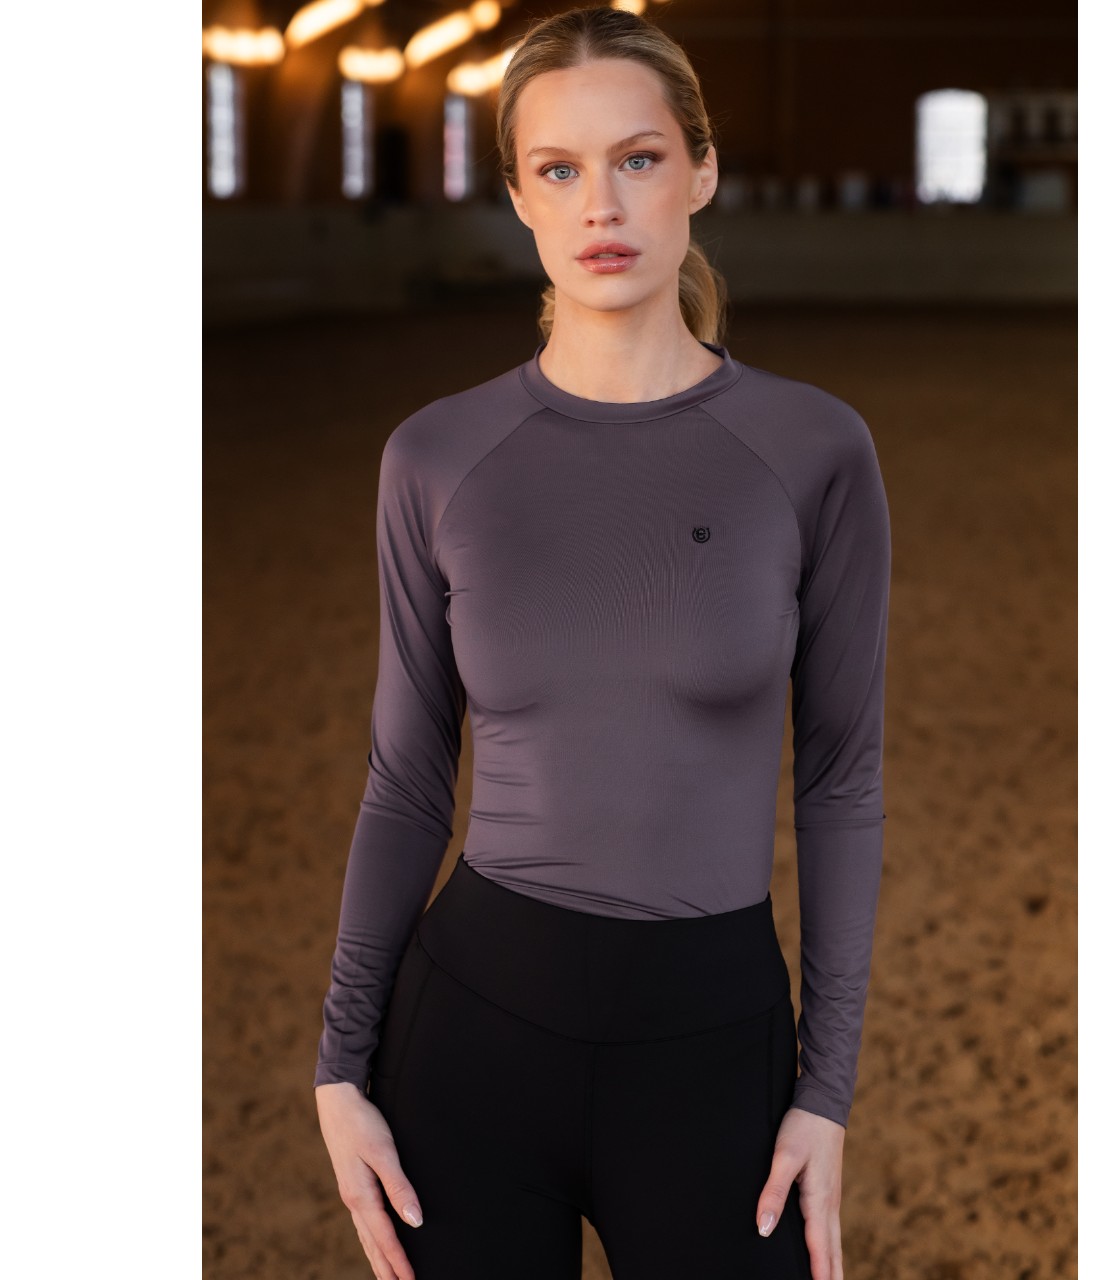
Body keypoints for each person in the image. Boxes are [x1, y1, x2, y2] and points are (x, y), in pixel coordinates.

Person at [314, 7, 891, 1280]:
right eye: (559, 169)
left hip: (714, 1054)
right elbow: (405, 778)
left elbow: (841, 778)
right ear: (519, 195)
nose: (601, 205)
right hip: (468, 1044)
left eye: (636, 158)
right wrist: (338, 1065)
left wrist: (825, 1089)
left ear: (701, 170)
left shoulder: (813, 450)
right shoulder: (434, 456)